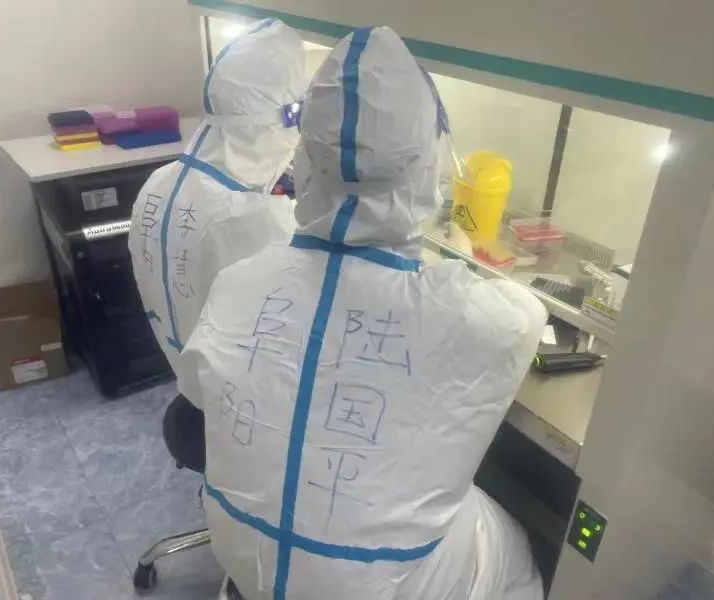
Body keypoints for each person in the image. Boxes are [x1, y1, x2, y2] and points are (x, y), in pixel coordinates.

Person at [180, 26, 547, 600]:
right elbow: (525, 313)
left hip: (239, 554)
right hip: (369, 588)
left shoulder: (239, 282)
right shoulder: (489, 318)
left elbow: (197, 389)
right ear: (428, 166)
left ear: (303, 158)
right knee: (511, 545)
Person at [128, 18, 305, 473]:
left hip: (190, 395)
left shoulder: (158, 182)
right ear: (280, 123)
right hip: (243, 424)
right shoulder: (252, 220)